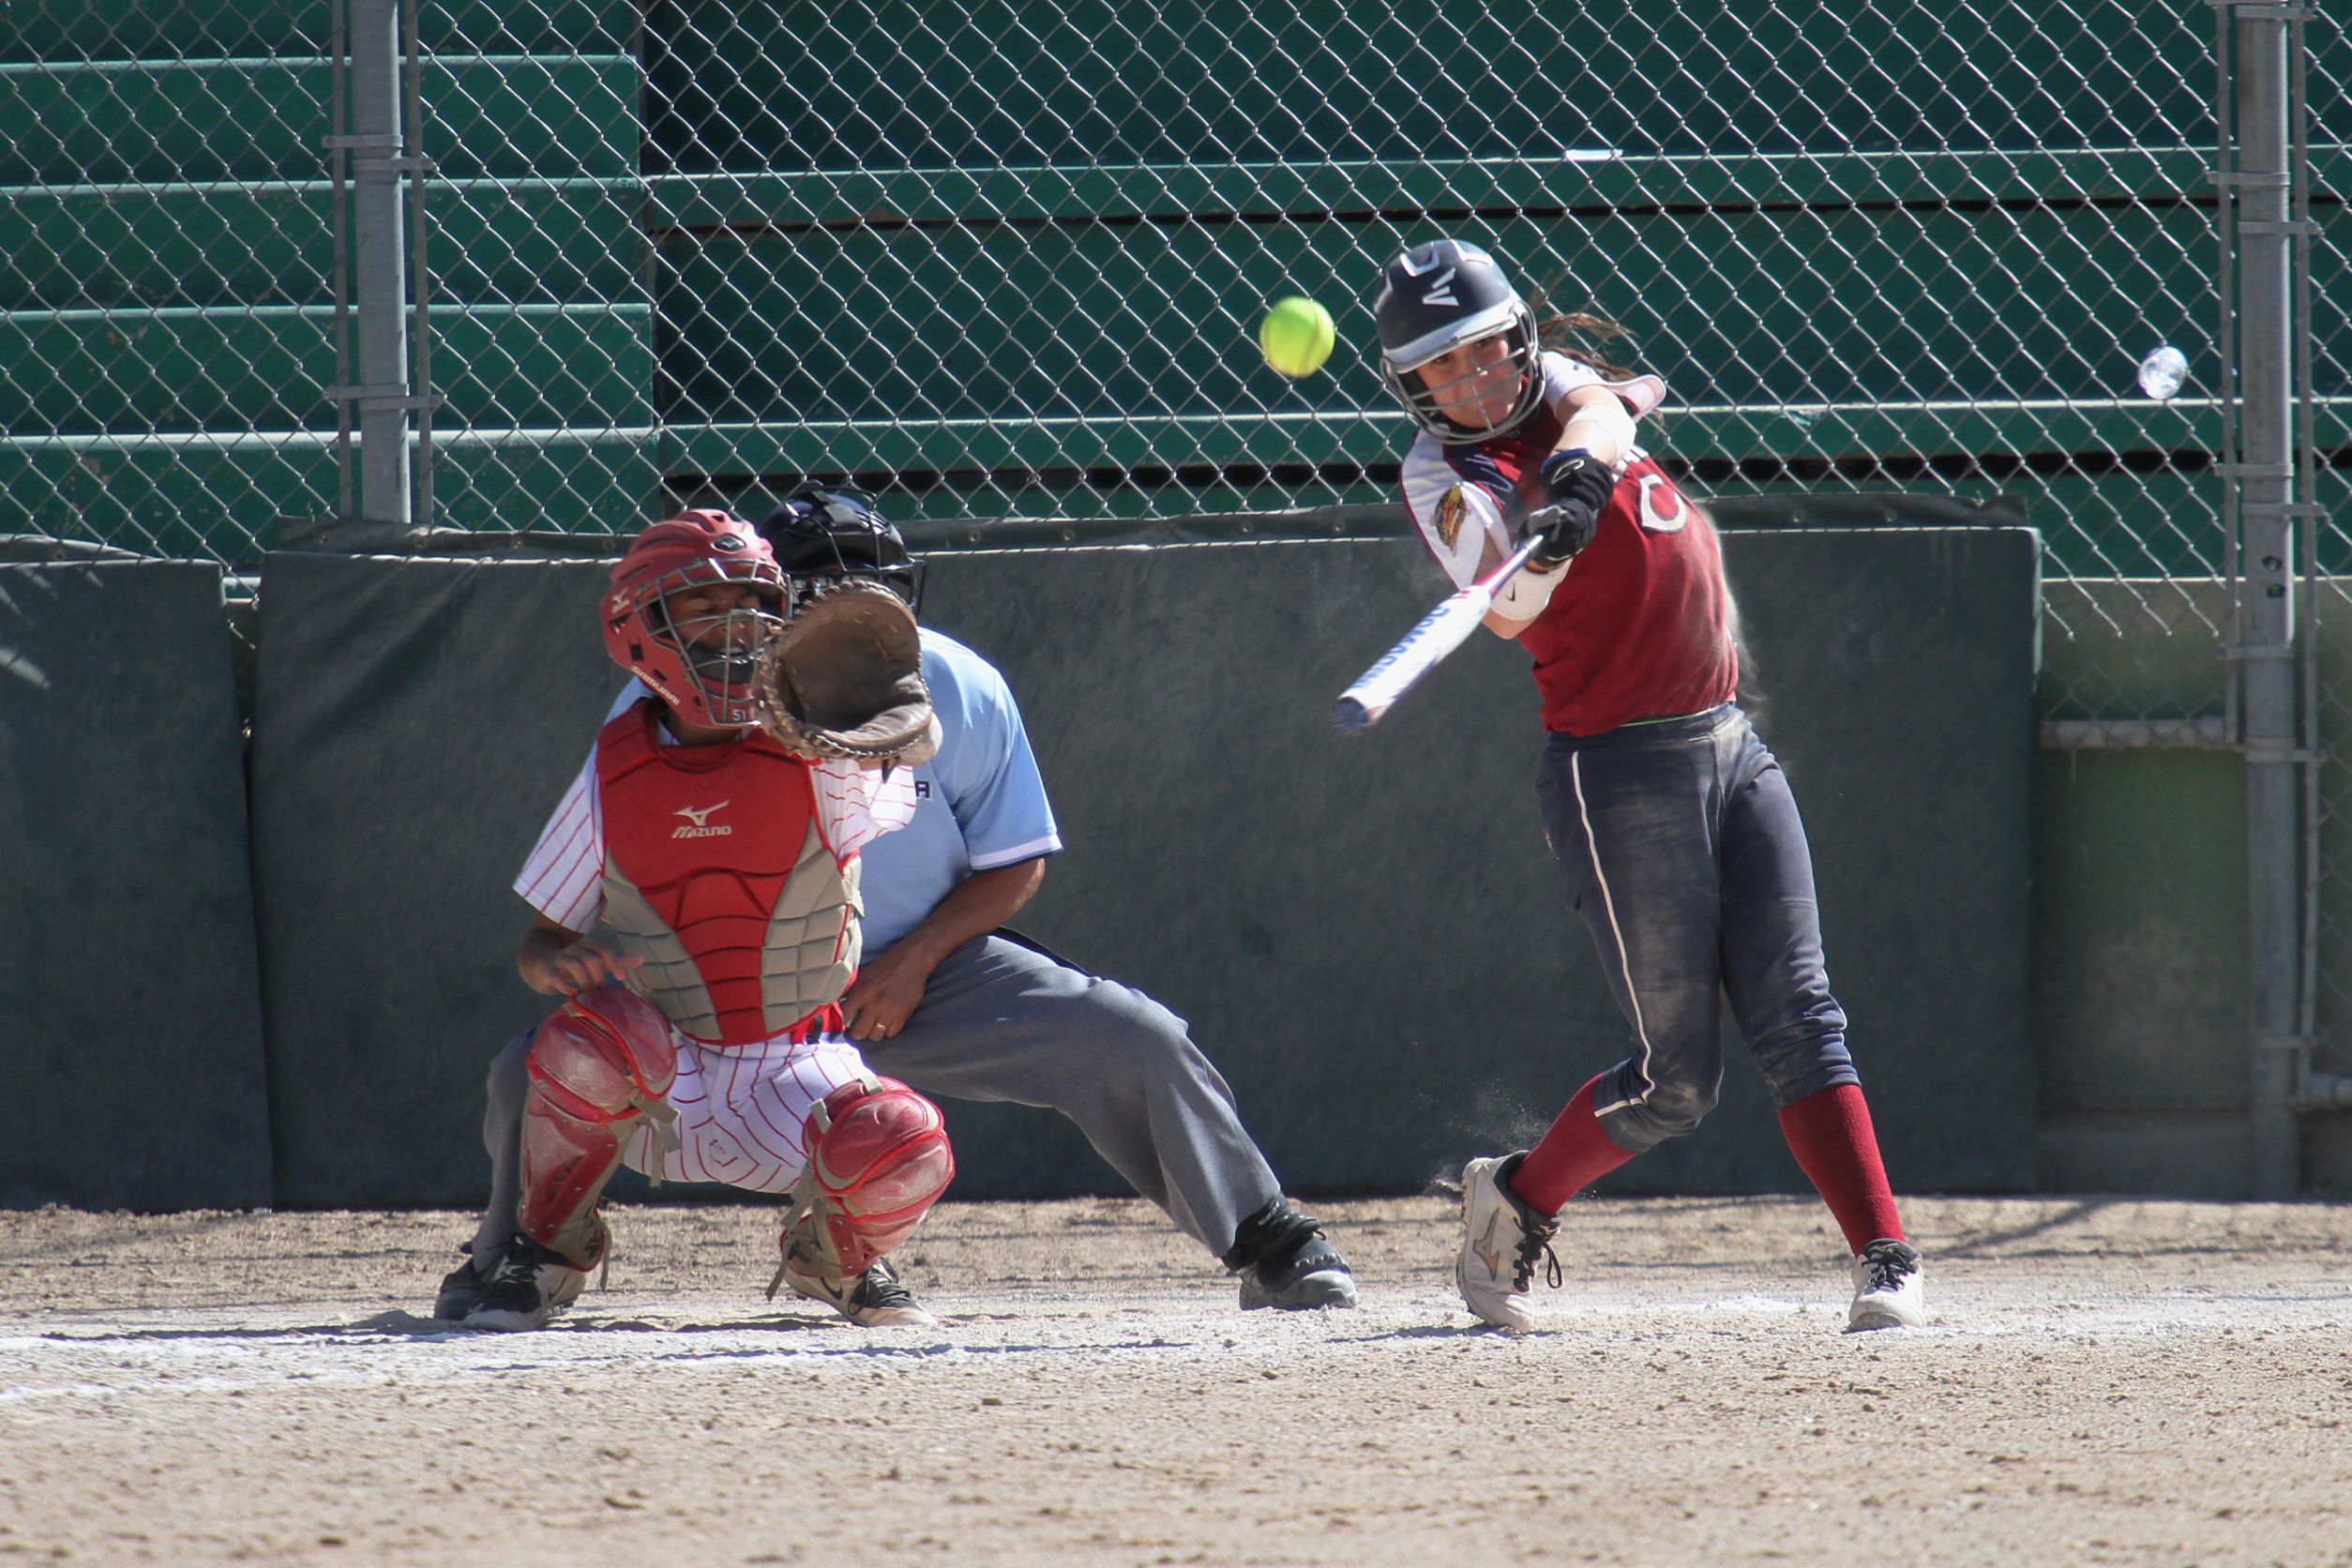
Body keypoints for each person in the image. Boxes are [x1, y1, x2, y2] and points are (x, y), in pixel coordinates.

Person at [592, 483, 1358, 1313]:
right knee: (546, 1070)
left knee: (1127, 1034)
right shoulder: (680, 699)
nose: (858, 611)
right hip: (721, 984)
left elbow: (1015, 862)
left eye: (881, 590)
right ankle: (520, 1256)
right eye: (823, 591)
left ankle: (1264, 1233)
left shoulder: (955, 685)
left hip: (909, 975)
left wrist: (916, 964)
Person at [1371, 237, 1924, 1333]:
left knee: (1805, 1018)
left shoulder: (1561, 392)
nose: (1474, 381)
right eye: (1443, 369)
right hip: (1616, 768)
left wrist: (1577, 474)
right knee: (1677, 1082)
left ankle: (1885, 1255)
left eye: (1486, 352)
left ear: (1520, 340)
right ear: (1413, 388)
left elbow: (1619, 401)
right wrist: (1548, 537)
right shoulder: (1442, 476)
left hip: (1728, 738)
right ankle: (1515, 1200)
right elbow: (1512, 609)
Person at [431, 509, 956, 1331]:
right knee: (585, 1037)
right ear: (639, 630)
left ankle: (836, 1260)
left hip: (793, 1071)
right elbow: (543, 940)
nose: (736, 625)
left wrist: (858, 728)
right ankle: (548, 1255)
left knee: (906, 1138)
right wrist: (555, 966)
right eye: (705, 606)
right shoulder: (616, 763)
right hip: (659, 1082)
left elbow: (893, 758)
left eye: (751, 602)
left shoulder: (816, 754)